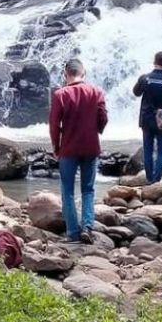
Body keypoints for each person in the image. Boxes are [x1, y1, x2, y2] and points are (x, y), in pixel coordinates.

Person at [49, 59, 108, 244]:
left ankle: (73, 232)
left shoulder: (60, 94)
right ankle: (88, 227)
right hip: (91, 147)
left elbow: (53, 124)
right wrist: (96, 130)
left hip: (68, 147)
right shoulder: (96, 91)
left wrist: (56, 147)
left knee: (67, 190)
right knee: (88, 189)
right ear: (84, 73)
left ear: (66, 74)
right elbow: (103, 117)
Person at [133, 51, 162, 184]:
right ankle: (156, 180)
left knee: (147, 149)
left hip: (146, 119)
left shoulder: (144, 78)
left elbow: (136, 93)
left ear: (154, 62)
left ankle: (148, 178)